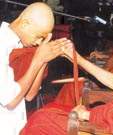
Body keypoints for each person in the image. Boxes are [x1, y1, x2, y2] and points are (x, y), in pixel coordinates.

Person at [0, 2, 69, 135]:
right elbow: (11, 100)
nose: (38, 42)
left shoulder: (19, 45)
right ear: (25, 23)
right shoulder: (2, 46)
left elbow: (30, 94)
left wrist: (43, 58)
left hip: (16, 124)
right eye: (39, 36)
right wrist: (38, 59)